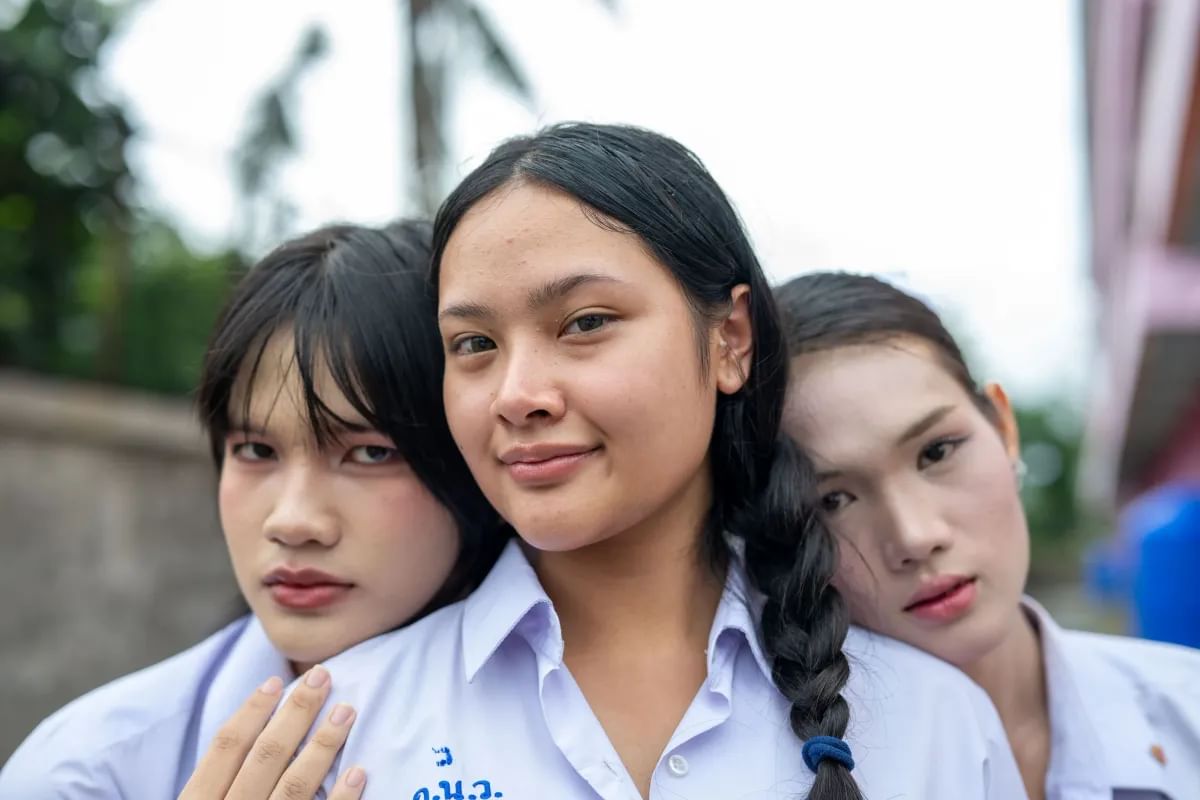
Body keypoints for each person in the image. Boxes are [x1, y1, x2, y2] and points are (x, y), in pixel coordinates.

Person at [205, 123, 1026, 800]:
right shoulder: (335, 733)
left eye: (586, 323)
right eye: (474, 344)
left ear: (730, 339)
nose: (517, 395)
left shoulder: (936, 728)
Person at [0, 221, 506, 800]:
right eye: (256, 451)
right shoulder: (85, 775)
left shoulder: (569, 734)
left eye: (370, 453)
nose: (292, 521)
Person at [776, 270, 1200, 800]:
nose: (915, 536)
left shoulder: (1187, 709)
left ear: (1003, 428)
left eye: (936, 452)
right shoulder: (779, 777)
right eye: (832, 500)